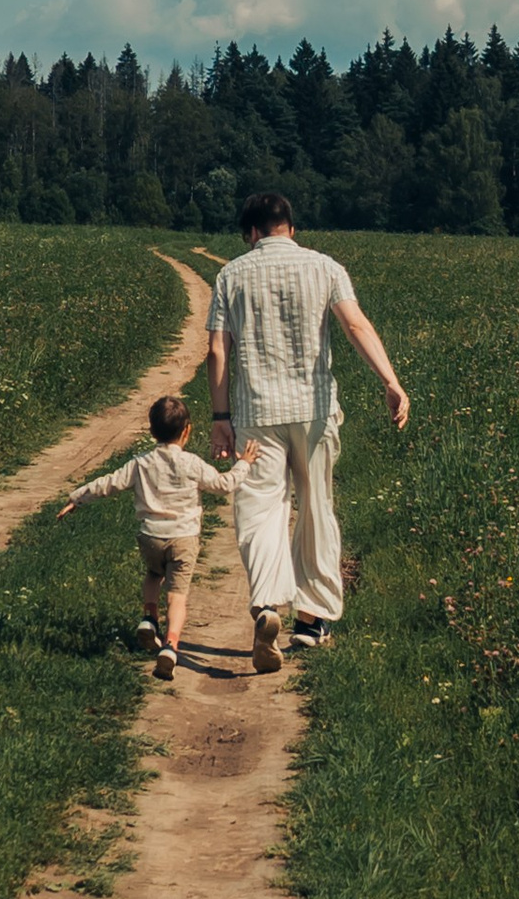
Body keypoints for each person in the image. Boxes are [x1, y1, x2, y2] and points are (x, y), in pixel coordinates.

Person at [207, 190, 410, 672]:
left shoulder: (230, 274)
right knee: (316, 508)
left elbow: (218, 352)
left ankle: (266, 605)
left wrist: (219, 420)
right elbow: (356, 325)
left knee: (259, 511)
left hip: (256, 413)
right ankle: (312, 620)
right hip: (314, 412)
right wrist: (391, 381)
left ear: (251, 233)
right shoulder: (325, 267)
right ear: (290, 229)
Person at [60, 392, 258, 679]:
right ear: (188, 431)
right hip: (184, 538)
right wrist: (245, 464)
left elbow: (110, 483)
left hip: (150, 536)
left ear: (151, 431)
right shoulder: (191, 464)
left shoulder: (140, 463)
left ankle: (149, 617)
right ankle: (171, 644)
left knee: (154, 574)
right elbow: (224, 484)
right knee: (177, 596)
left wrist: (77, 498)